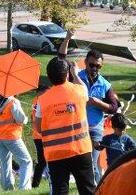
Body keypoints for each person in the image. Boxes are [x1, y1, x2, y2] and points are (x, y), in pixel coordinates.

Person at [38, 57, 95, 195]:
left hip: (55, 154)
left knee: (60, 191)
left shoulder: (42, 100)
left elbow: (39, 127)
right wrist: (75, 74)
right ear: (67, 74)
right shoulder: (80, 91)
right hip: (80, 149)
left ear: (50, 77)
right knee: (88, 189)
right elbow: (85, 90)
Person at [78, 50, 118, 183]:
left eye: (98, 66)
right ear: (85, 63)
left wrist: (98, 103)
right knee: (81, 161)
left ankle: (98, 189)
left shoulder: (105, 84)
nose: (94, 68)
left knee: (92, 161)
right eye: (92, 65)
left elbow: (114, 108)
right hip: (78, 127)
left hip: (95, 129)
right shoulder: (76, 78)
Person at [0, 93, 33, 190]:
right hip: (12, 136)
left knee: (5, 163)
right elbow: (21, 120)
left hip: (0, 137)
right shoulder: (13, 102)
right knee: (26, 161)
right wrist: (26, 119)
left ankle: (7, 188)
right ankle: (24, 188)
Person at [30, 85, 49, 189]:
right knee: (42, 161)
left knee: (42, 161)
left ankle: (35, 184)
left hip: (39, 135)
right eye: (46, 91)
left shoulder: (37, 100)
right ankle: (35, 184)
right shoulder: (40, 100)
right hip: (41, 135)